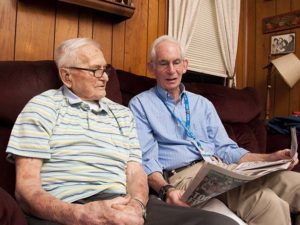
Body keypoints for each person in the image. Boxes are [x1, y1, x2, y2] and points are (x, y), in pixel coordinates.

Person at [5, 37, 239, 225]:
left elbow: (135, 172)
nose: (105, 77)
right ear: (66, 76)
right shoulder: (42, 107)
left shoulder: (122, 114)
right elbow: (26, 191)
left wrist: (137, 206)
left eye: (105, 69)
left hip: (127, 207)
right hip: (69, 209)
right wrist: (81, 215)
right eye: (95, 70)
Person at [129, 35, 300, 225]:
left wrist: (270, 158)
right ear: (151, 68)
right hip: (185, 175)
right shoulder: (140, 105)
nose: (171, 70)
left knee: (296, 184)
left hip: (221, 168)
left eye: (176, 62)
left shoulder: (202, 104)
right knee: (269, 203)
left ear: (185, 65)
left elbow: (226, 149)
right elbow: (147, 160)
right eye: (163, 63)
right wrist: (166, 190)